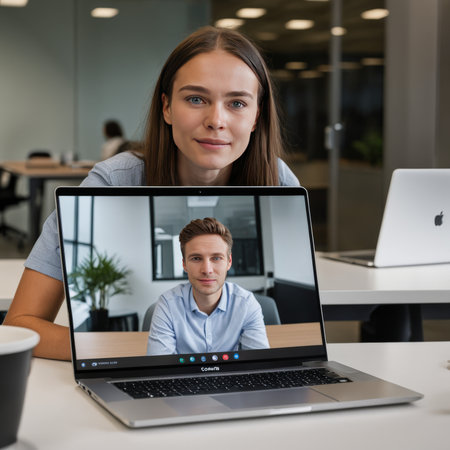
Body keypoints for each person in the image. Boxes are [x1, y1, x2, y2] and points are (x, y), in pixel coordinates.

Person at [4, 26, 299, 361]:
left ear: (256, 116)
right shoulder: (112, 182)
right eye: (196, 99)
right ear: (167, 107)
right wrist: (139, 353)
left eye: (237, 102)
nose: (216, 120)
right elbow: (22, 325)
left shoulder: (278, 181)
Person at [147, 218, 269, 356]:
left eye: (216, 258)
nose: (207, 270)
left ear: (229, 262)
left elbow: (260, 364)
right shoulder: (167, 304)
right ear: (184, 264)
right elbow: (160, 368)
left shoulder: (246, 303)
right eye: (196, 258)